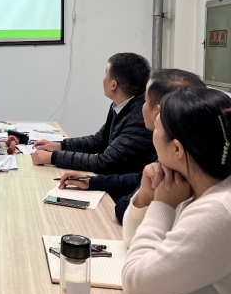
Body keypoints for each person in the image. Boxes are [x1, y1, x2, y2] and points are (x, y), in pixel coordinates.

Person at [121, 87, 231, 294]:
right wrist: (147, 196)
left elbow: (135, 280)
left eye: (156, 128)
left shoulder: (218, 210)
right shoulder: (193, 183)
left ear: (177, 150)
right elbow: (132, 243)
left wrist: (162, 206)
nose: (151, 134)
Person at [57, 69, 206, 223]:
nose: (142, 106)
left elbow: (123, 209)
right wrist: (94, 181)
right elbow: (138, 179)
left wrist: (145, 197)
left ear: (159, 112)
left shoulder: (173, 160)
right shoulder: (186, 151)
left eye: (145, 101)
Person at [32, 52, 155, 175]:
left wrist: (53, 157)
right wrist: (59, 146)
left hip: (122, 185)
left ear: (113, 85)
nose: (103, 79)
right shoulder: (121, 105)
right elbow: (99, 140)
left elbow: (105, 162)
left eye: (106, 74)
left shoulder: (140, 117)